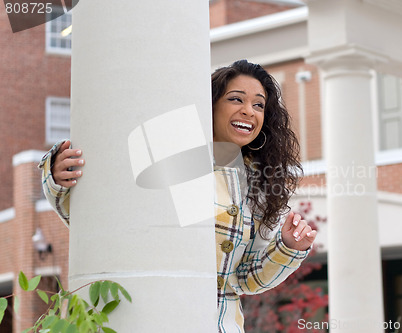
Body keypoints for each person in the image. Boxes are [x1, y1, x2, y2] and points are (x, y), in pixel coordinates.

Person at [39, 59, 317, 332]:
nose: (249, 111)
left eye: (259, 105)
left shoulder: (258, 183)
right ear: (209, 105)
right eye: (236, 99)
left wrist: (288, 247)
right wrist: (56, 176)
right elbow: (102, 222)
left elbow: (243, 279)